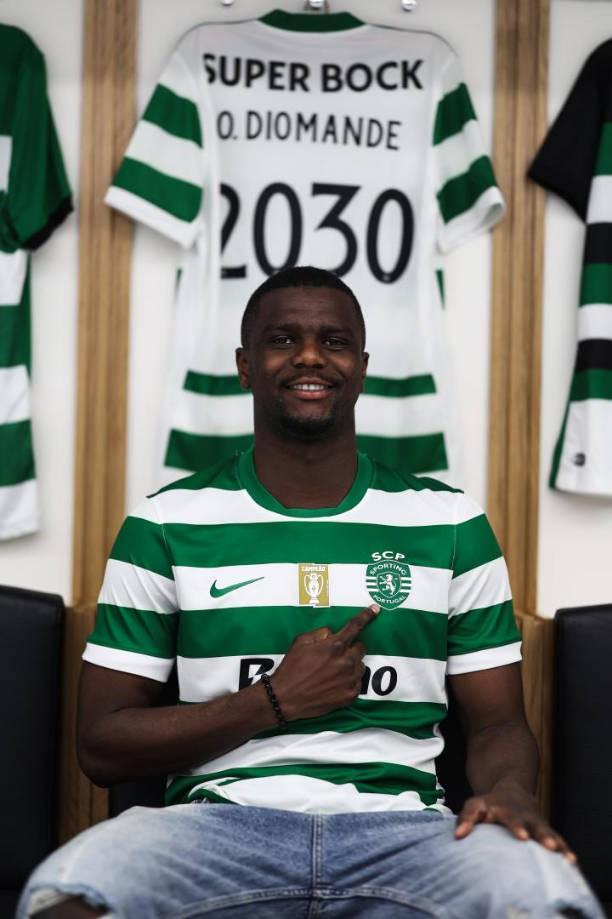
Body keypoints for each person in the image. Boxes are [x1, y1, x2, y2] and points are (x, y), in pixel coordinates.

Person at [20, 267, 602, 918]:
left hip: (406, 832)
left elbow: (498, 724)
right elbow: (101, 745)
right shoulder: (165, 523)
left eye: (334, 340)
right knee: (67, 897)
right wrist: (273, 700)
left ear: (362, 368)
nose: (308, 356)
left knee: (544, 894)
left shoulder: (450, 523)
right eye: (282, 339)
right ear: (245, 366)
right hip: (214, 830)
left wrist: (512, 791)